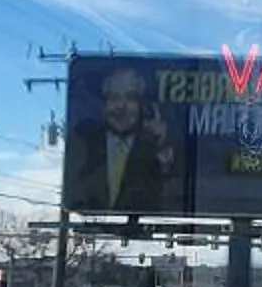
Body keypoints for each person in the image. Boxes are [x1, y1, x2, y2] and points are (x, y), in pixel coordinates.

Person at [64, 65, 179, 213]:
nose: (121, 106)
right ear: (103, 104)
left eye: (130, 98)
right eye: (113, 97)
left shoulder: (156, 148)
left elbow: (170, 205)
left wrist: (163, 162)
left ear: (141, 105)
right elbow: (76, 197)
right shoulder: (83, 144)